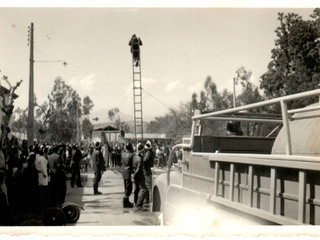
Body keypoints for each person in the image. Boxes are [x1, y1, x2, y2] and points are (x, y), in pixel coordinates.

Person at [132, 143, 148, 211]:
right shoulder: (140, 157)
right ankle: (139, 204)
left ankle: (136, 202)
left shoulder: (134, 156)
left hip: (135, 174)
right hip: (139, 175)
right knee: (144, 189)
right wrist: (135, 175)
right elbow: (139, 168)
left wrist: (133, 175)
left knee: (137, 189)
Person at [121, 142, 134, 208]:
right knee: (129, 188)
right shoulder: (131, 155)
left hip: (124, 172)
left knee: (126, 187)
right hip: (129, 172)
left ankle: (126, 201)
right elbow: (133, 164)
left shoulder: (123, 154)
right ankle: (125, 202)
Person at [143, 140, 154, 205]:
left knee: (147, 185)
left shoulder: (148, 153)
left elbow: (145, 160)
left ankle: (148, 198)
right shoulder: (151, 153)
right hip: (149, 170)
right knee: (149, 185)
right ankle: (149, 198)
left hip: (147, 171)